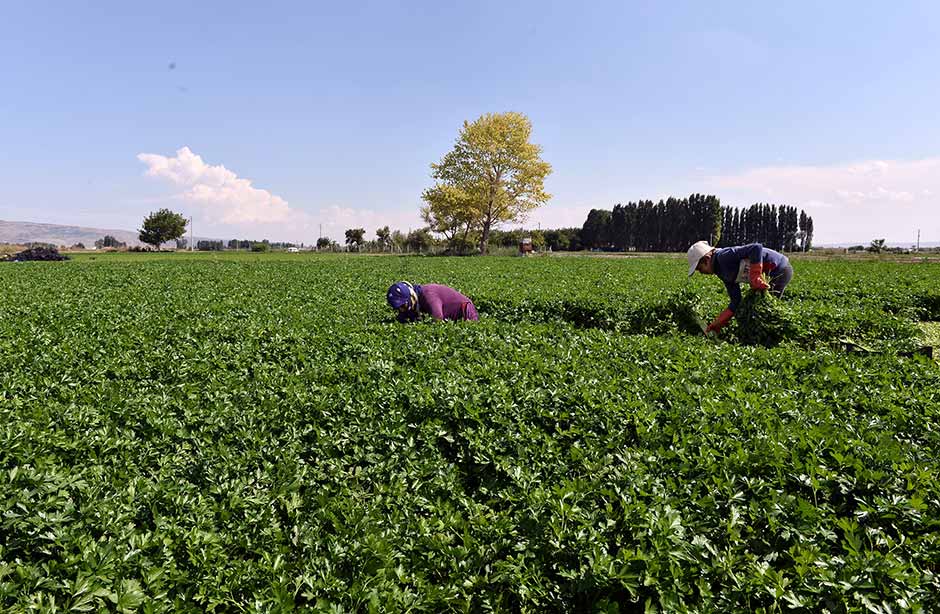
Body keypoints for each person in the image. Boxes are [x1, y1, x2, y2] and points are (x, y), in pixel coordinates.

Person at [687, 241, 793, 334]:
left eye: (700, 269)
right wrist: (718, 323)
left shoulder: (723, 256)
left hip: (779, 269)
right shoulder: (722, 273)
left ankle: (775, 334)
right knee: (759, 310)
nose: (701, 272)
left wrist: (755, 275)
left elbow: (756, 248)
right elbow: (736, 301)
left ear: (706, 259)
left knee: (767, 311)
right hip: (769, 275)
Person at [386, 281, 479, 323]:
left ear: (411, 297)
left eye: (403, 306)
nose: (402, 309)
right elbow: (402, 318)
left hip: (464, 311)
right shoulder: (412, 303)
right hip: (448, 319)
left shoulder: (428, 295)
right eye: (398, 308)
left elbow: (437, 318)